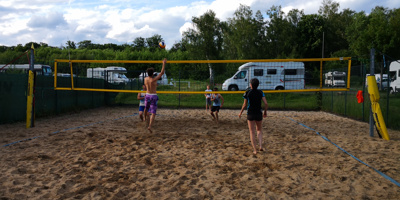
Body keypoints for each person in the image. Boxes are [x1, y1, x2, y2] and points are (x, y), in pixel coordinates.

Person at [238, 78, 268, 155]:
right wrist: (265, 112)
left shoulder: (247, 92)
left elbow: (244, 105)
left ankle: (255, 150)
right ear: (258, 85)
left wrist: (240, 113)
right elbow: (266, 104)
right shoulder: (261, 92)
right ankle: (260, 146)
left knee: (252, 132)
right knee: (259, 130)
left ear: (251, 84)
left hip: (250, 113)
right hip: (258, 113)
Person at [144, 58, 167, 132]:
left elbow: (148, 84)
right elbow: (162, 73)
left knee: (146, 108)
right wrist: (163, 63)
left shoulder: (145, 79)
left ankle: (145, 119)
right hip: (153, 96)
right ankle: (150, 126)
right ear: (153, 73)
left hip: (147, 95)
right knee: (153, 113)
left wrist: (153, 84)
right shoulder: (153, 80)